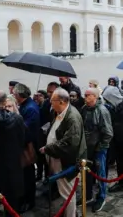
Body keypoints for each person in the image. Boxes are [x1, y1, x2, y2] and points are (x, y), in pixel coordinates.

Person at [40, 88, 86, 217]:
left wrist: (47, 149)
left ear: (61, 102)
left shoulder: (72, 118)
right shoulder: (60, 112)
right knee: (64, 190)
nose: (50, 103)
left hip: (66, 161)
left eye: (52, 101)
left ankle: (70, 214)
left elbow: (70, 144)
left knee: (68, 192)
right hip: (58, 158)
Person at [79, 88, 113, 212]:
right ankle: (87, 195)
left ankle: (101, 197)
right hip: (87, 148)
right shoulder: (84, 109)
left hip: (99, 149)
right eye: (85, 95)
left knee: (100, 173)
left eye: (88, 95)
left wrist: (100, 147)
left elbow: (108, 133)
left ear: (95, 96)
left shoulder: (102, 111)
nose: (85, 97)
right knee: (86, 173)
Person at [12, 83, 40, 212]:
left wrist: (16, 115)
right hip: (22, 145)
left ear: (18, 95)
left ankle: (29, 201)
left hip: (28, 146)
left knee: (28, 176)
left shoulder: (30, 108)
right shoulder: (25, 105)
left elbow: (25, 129)